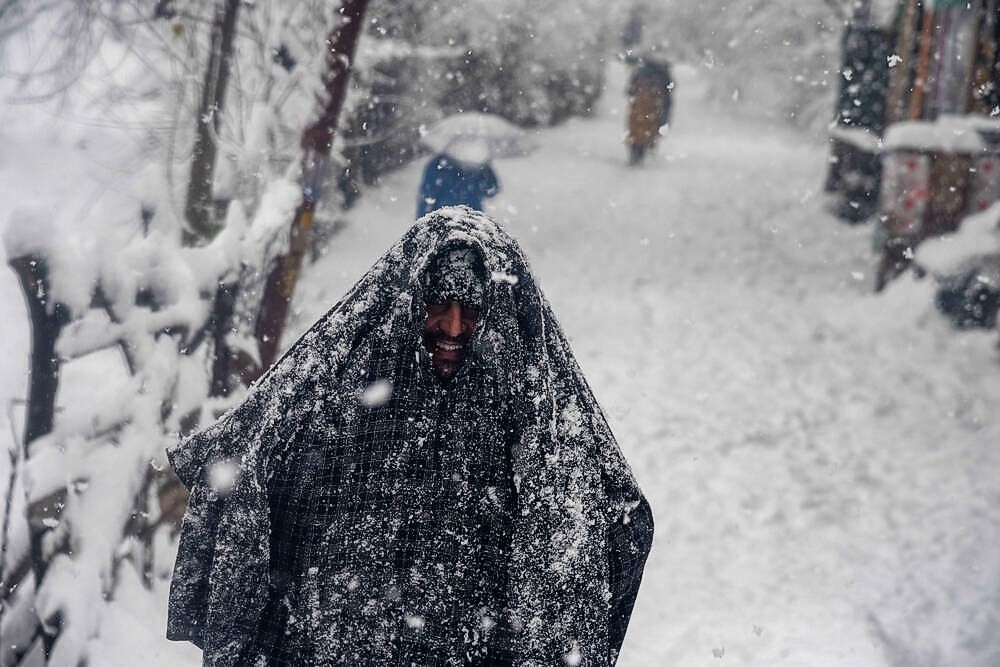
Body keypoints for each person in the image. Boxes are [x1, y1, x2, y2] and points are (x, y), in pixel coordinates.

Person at [166, 206, 653, 666]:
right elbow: (251, 461)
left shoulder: (531, 411)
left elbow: (602, 525)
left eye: (474, 309)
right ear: (413, 299)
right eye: (440, 304)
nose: (455, 327)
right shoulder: (345, 386)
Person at [417, 139, 500, 218]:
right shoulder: (479, 165)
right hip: (472, 216)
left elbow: (427, 193)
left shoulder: (438, 163)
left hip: (444, 215)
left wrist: (421, 220)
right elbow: (491, 190)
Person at [626, 57, 673, 165]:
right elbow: (668, 95)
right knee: (647, 129)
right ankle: (643, 149)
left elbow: (630, 89)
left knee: (636, 130)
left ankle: (636, 153)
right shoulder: (662, 74)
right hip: (653, 106)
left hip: (638, 106)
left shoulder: (640, 71)